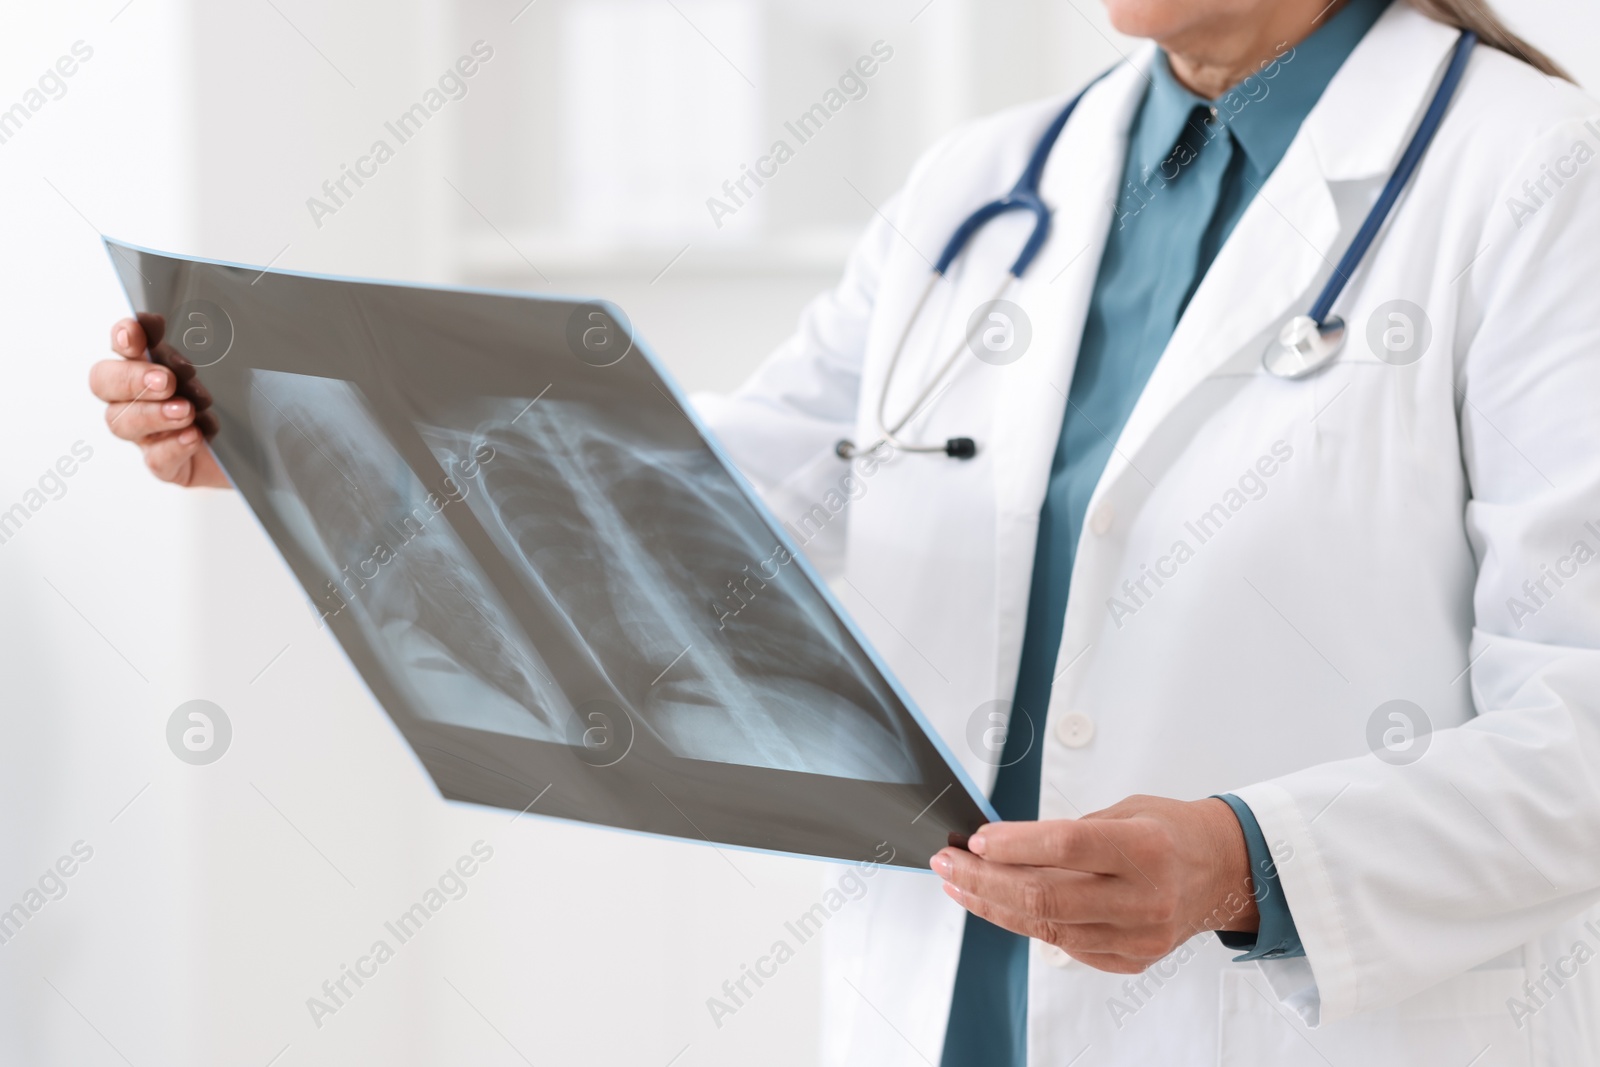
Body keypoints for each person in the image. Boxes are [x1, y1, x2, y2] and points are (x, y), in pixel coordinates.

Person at [90, 0, 1600, 1063]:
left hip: (1290, 1017)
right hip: (944, 1006)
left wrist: (1246, 862)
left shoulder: (1537, 182)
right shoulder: (987, 187)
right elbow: (716, 511)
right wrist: (310, 443)